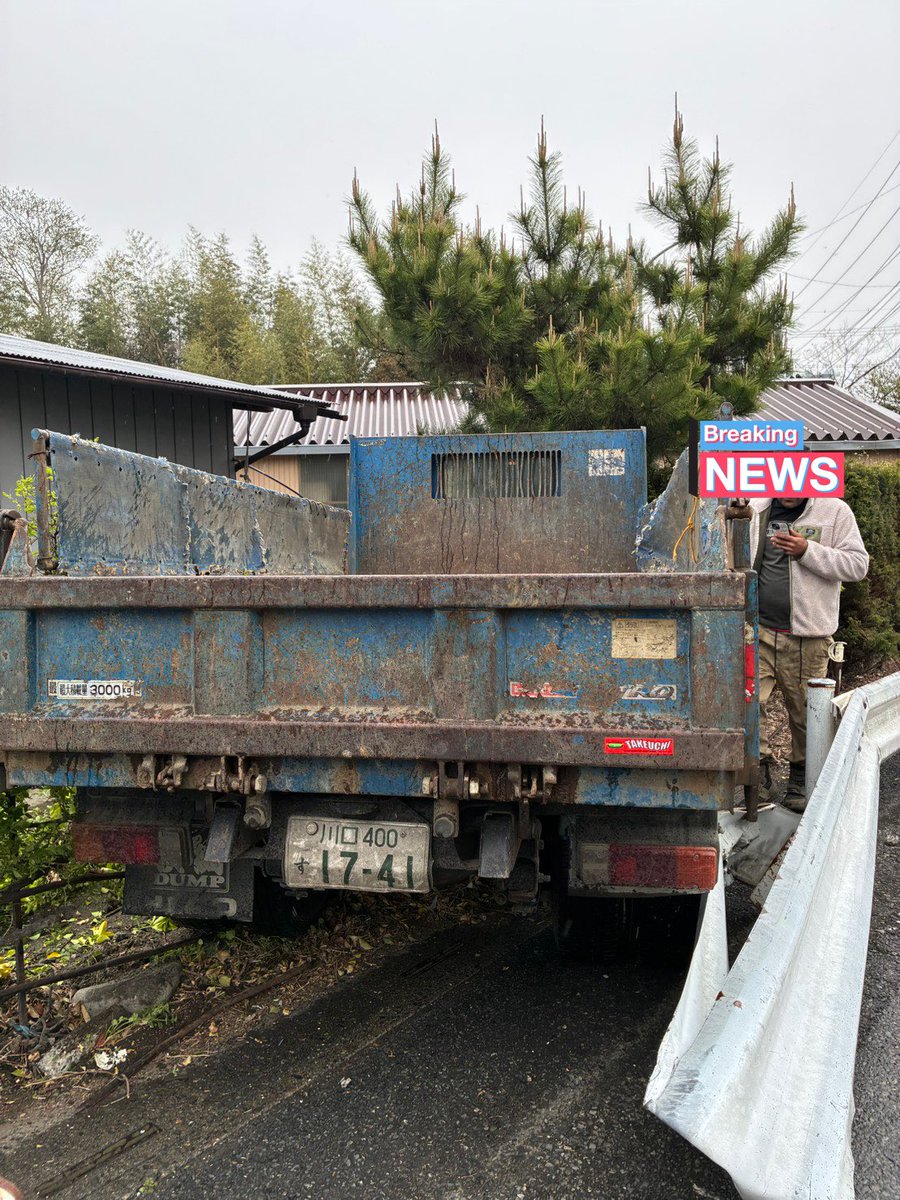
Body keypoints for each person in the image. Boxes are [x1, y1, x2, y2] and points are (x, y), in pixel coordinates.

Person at [749, 493, 868, 811]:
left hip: (808, 638)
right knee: (747, 703)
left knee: (805, 716)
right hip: (757, 632)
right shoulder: (755, 506)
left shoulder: (834, 511)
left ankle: (800, 781)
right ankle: (756, 777)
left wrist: (807, 551)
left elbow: (857, 565)